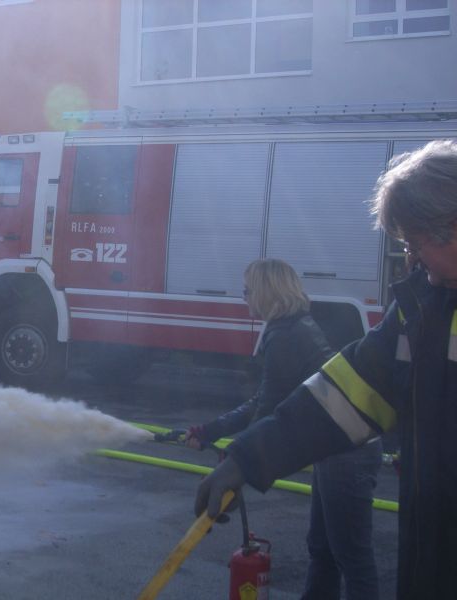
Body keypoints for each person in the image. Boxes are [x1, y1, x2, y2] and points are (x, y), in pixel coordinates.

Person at [194, 139, 457, 600]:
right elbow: (348, 393)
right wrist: (249, 457)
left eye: (415, 244)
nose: (413, 263)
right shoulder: (425, 307)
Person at [186, 258, 381, 600]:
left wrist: (236, 464)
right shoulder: (293, 327)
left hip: (347, 450)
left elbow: (266, 411)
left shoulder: (287, 336)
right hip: (338, 444)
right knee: (323, 547)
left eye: (247, 290)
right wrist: (211, 430)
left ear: (265, 291)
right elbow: (265, 400)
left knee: (351, 556)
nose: (244, 297)